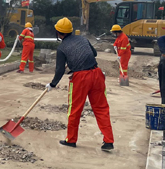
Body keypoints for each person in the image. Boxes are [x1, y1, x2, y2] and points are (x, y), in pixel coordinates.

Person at [47, 18, 115, 151]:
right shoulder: (83, 39)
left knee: (75, 109)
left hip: (81, 78)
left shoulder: (62, 48)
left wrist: (52, 84)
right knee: (101, 108)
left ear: (58, 33)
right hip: (97, 74)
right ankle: (108, 141)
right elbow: (94, 53)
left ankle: (71, 140)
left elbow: (60, 70)